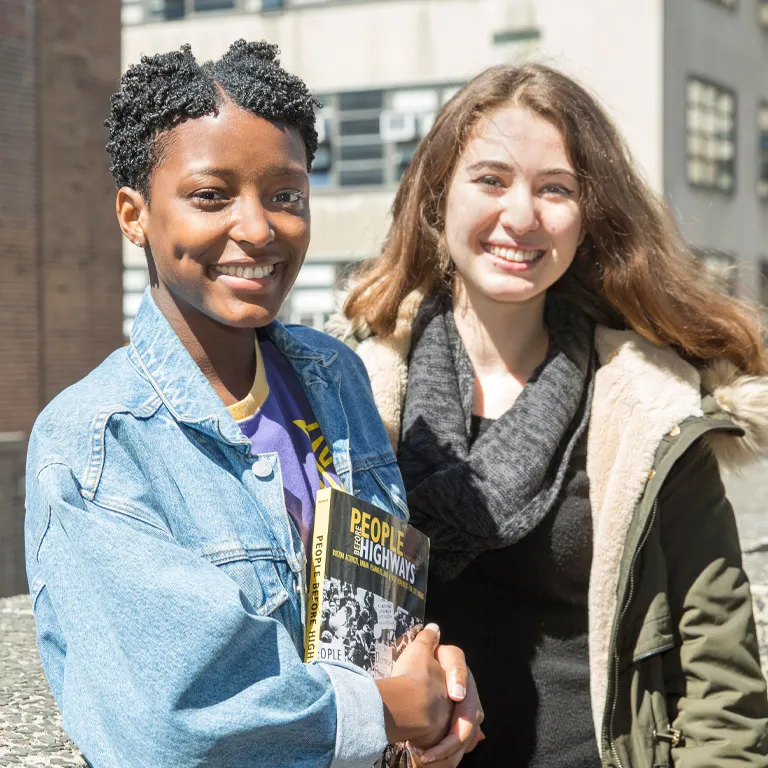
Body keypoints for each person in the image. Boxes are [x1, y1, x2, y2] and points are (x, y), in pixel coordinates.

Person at [23, 41, 482, 768]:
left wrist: (437, 683)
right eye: (212, 195)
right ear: (133, 215)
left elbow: (380, 610)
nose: (260, 228)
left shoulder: (336, 377)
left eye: (285, 194)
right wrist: (385, 712)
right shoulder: (96, 445)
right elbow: (173, 725)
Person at [333, 63, 768, 767]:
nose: (522, 216)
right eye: (492, 180)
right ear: (438, 197)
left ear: (588, 215)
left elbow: (723, 687)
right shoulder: (351, 390)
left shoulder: (650, 411)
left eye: (556, 188)